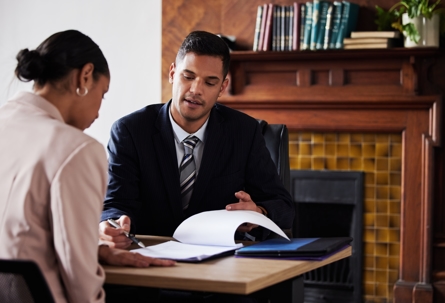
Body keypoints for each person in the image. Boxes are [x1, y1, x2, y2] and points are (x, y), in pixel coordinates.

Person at [0, 30, 174, 303]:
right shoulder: (77, 149)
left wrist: (96, 250)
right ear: (84, 76)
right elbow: (79, 278)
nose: (98, 112)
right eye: (102, 94)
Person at [99, 30, 294, 249]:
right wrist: (112, 223)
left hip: (221, 263)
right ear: (173, 73)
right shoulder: (130, 131)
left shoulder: (245, 132)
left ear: (222, 87)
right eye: (188, 76)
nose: (195, 90)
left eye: (210, 83)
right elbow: (116, 204)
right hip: (149, 255)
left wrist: (259, 212)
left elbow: (284, 207)